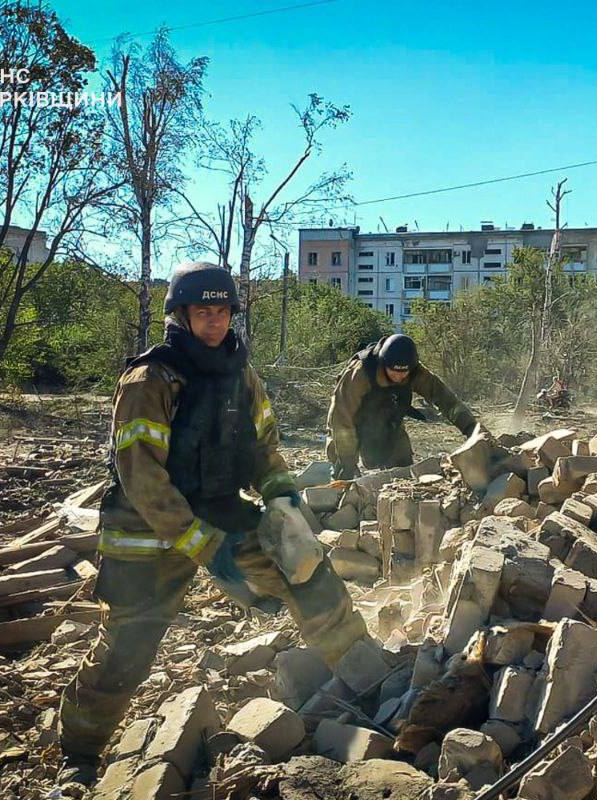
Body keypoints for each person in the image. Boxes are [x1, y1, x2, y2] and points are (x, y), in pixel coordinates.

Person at [57, 261, 370, 789]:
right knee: (127, 650)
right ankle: (79, 753)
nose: (215, 321)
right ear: (179, 316)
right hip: (147, 532)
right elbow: (143, 478)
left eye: (222, 311)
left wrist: (281, 496)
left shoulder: (240, 374)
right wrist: (202, 544)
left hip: (223, 511)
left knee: (311, 577)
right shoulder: (149, 380)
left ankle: (366, 679)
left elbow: (264, 446)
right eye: (203, 312)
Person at [326, 334, 479, 480]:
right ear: (384, 363)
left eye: (404, 372)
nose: (399, 377)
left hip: (387, 419)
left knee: (404, 472)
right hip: (348, 422)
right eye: (394, 371)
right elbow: (341, 419)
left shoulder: (415, 371)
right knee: (343, 470)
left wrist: (470, 427)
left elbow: (445, 398)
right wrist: (347, 463)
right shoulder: (360, 373)